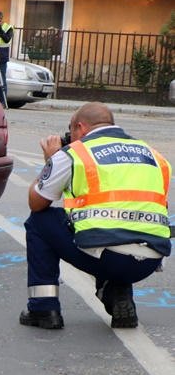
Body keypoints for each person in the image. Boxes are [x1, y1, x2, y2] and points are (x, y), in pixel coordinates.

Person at [21, 102, 171, 330]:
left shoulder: (74, 153)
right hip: (150, 260)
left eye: (71, 132)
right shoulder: (154, 155)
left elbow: (37, 202)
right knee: (114, 231)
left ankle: (43, 309)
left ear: (80, 128)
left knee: (40, 222)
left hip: (108, 256)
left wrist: (51, 161)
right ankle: (118, 296)